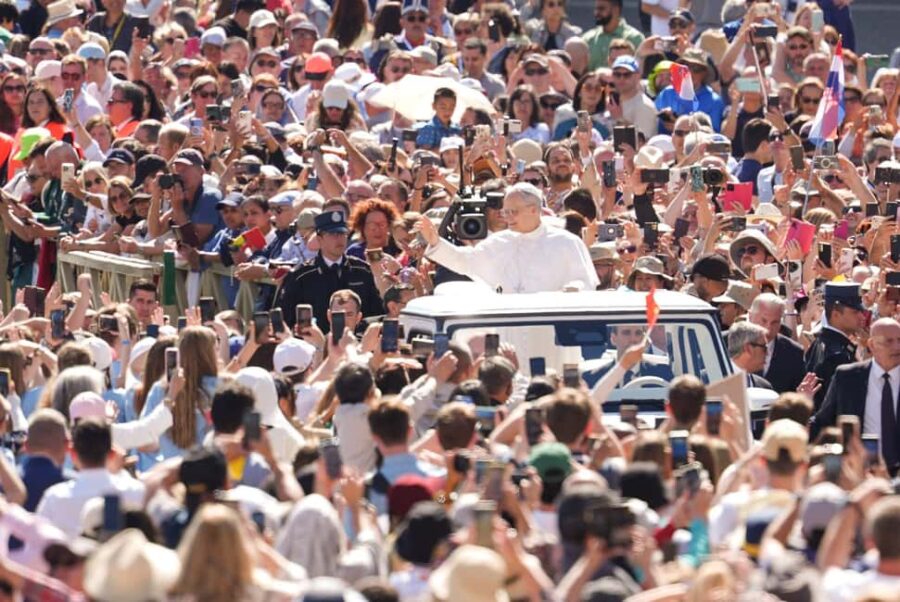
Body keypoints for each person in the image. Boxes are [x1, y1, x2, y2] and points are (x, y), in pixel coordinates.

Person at [417, 182, 599, 293]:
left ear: (534, 210)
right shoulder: (498, 242)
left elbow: (585, 282)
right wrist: (436, 241)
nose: (507, 217)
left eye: (513, 212)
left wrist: (574, 288)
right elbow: (466, 261)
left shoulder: (566, 243)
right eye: (505, 212)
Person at [276, 210, 384, 333]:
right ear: (319, 239)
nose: (339, 239)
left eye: (342, 233)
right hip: (314, 345)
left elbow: (376, 314)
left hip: (356, 343)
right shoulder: (301, 276)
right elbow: (285, 319)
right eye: (333, 234)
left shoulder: (362, 271)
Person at [35, 418, 145, 537]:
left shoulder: (54, 497)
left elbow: (38, 541)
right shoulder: (135, 491)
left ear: (72, 453)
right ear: (112, 453)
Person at [805, 283, 866, 411]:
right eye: (855, 312)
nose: (862, 316)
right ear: (836, 314)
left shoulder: (823, 342)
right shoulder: (837, 355)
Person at [749, 293, 806, 394]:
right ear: (750, 316)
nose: (768, 328)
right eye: (764, 320)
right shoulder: (726, 344)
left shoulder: (794, 353)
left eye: (775, 322)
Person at [581, 0, 645, 71]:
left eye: (601, 9)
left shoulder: (635, 38)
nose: (596, 13)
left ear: (616, 10)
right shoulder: (587, 39)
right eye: (596, 9)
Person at [727, 321, 775, 390]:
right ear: (748, 348)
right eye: (764, 348)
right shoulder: (711, 381)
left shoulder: (764, 387)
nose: (768, 353)